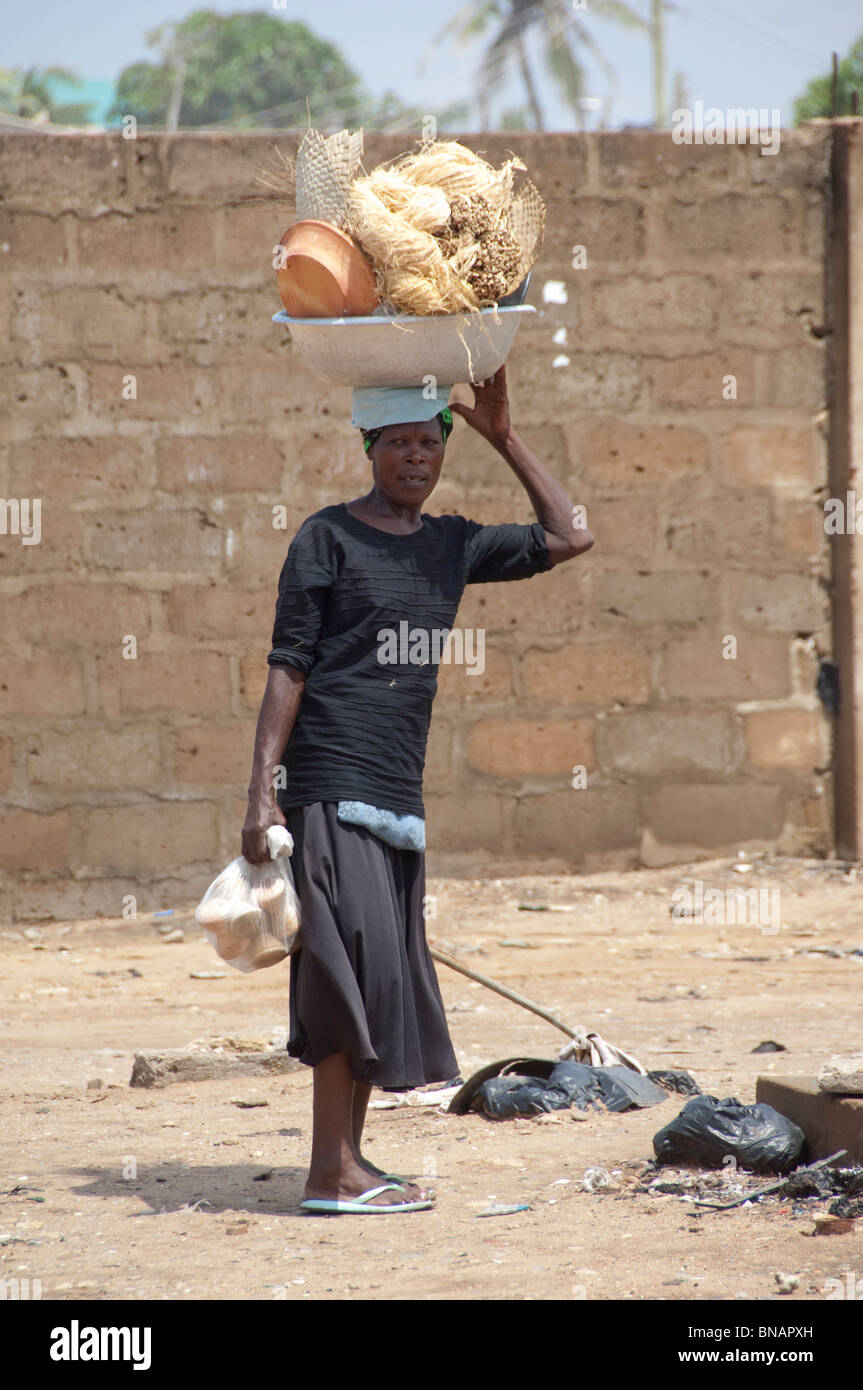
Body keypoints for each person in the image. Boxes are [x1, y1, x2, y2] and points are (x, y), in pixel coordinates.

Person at [242, 364, 594, 1214]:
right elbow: (288, 666)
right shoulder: (325, 539)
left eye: (428, 443)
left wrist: (503, 435)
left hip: (398, 792)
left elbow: (570, 536)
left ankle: (351, 1164)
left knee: (376, 980)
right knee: (339, 971)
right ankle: (329, 1172)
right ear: (370, 449)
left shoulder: (451, 545)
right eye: (397, 442)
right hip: (326, 782)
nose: (414, 457)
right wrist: (261, 793)